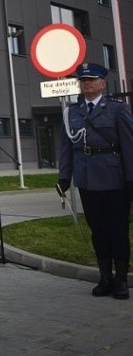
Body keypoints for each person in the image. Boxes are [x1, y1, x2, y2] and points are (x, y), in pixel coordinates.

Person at [58, 62, 133, 300]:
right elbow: (66, 148)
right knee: (98, 231)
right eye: (83, 80)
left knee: (118, 231)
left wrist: (131, 179)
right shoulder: (71, 112)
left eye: (91, 79)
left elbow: (129, 146)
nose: (87, 83)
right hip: (87, 180)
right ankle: (105, 278)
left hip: (115, 179)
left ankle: (121, 280)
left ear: (102, 83)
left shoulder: (117, 110)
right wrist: (64, 177)